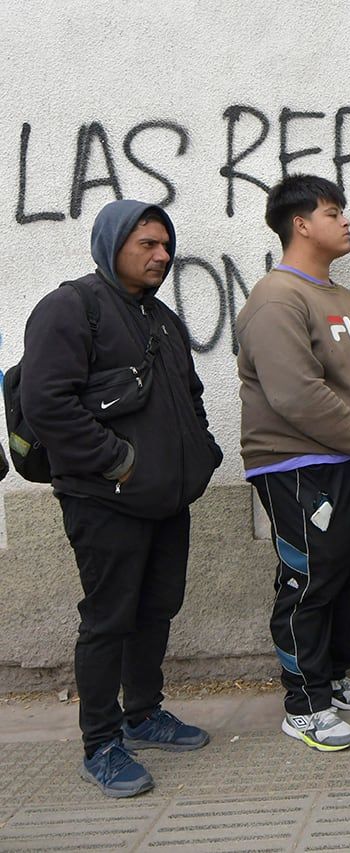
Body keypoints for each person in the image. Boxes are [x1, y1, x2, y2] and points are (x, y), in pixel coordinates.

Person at [21, 200, 222, 797]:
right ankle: (101, 743)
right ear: (112, 245)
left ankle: (143, 714)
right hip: (103, 500)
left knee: (156, 609)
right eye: (147, 244)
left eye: (166, 245)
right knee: (109, 620)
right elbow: (46, 403)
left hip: (167, 500)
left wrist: (202, 453)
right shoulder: (70, 308)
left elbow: (190, 395)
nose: (162, 255)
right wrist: (120, 463)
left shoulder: (161, 318)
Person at [236, 174, 350, 752]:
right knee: (309, 581)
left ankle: (328, 671)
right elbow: (296, 394)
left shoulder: (344, 298)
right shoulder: (276, 298)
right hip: (301, 465)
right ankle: (304, 704)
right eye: (333, 212)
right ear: (301, 225)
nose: (345, 221)